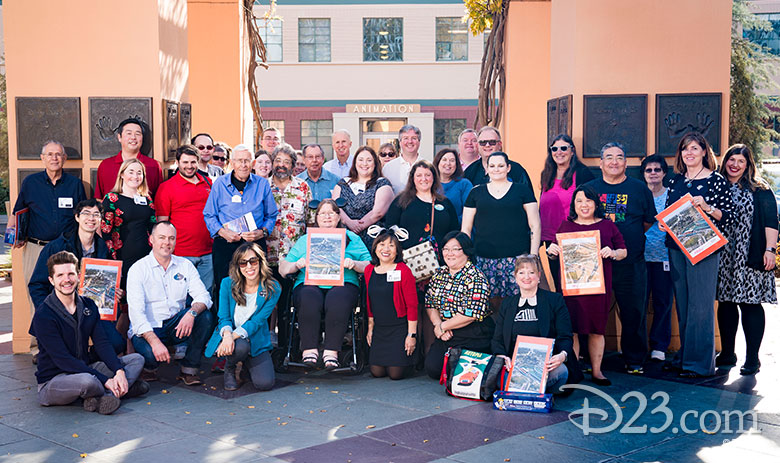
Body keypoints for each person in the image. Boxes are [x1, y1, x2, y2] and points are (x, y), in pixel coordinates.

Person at [31, 251, 147, 415]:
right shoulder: (44, 315)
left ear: (78, 276)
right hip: (55, 379)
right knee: (88, 381)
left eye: (71, 274)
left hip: (84, 367)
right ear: (51, 280)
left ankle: (103, 397)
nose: (67, 280)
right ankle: (118, 390)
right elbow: (63, 360)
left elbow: (102, 343)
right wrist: (106, 379)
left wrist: (119, 371)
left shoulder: (88, 305)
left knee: (136, 360)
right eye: (60, 275)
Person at [663, 132, 732, 378]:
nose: (689, 153)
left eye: (694, 148)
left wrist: (707, 207)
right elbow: (669, 211)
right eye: (685, 149)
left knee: (701, 306)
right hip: (676, 247)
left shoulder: (716, 180)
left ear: (704, 151)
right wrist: (665, 224)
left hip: (704, 248)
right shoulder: (675, 181)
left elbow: (729, 215)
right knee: (682, 304)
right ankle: (685, 356)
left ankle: (699, 364)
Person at [586, 142, 656, 374]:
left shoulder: (639, 189)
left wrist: (628, 241)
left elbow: (647, 221)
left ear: (626, 163)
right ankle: (590, 359)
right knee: (591, 312)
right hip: (595, 264)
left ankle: (634, 360)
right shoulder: (589, 189)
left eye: (619, 157)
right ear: (601, 163)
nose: (614, 162)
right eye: (608, 157)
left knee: (634, 311)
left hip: (631, 262)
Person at [547, 185, 626, 386]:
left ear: (595, 203)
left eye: (588, 200)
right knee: (571, 329)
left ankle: (597, 372)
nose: (584, 205)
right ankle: (574, 371)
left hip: (598, 288)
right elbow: (553, 253)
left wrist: (613, 253)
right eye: (579, 200)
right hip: (571, 288)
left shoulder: (608, 226)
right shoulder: (565, 226)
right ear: (574, 204)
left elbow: (623, 251)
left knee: (596, 329)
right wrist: (551, 251)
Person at [13, 140, 87, 354]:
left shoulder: (74, 185)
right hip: (36, 247)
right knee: (37, 294)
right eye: (50, 154)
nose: (54, 158)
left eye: (58, 154)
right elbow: (19, 212)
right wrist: (15, 235)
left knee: (70, 293)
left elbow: (81, 214)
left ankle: (68, 344)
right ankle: (39, 347)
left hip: (66, 250)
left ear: (64, 159)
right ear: (42, 158)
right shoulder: (30, 183)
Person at [279, 200, 371, 370]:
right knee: (309, 297)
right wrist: (297, 265)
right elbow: (283, 269)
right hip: (309, 282)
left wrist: (354, 264)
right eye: (323, 213)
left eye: (331, 213)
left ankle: (331, 352)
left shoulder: (352, 238)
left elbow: (370, 266)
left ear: (338, 217)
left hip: (343, 283)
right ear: (317, 217)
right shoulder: (306, 239)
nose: (327, 216)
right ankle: (309, 350)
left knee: (337, 298)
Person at [28, 199, 125, 355]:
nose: (91, 218)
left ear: (100, 220)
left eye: (96, 214)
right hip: (62, 310)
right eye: (86, 213)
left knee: (116, 344)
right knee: (62, 351)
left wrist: (114, 293)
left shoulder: (104, 249)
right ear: (77, 217)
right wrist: (47, 312)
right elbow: (36, 284)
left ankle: (87, 360)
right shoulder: (56, 247)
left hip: (93, 311)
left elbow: (107, 283)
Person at [716, 144, 777, 375]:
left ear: (748, 164)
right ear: (726, 162)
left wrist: (770, 249)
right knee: (726, 303)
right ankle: (728, 353)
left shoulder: (759, 189)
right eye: (732, 160)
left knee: (750, 304)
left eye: (741, 161)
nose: (735, 165)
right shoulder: (718, 186)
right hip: (724, 256)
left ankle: (752, 358)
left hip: (751, 254)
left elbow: (772, 220)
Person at [127, 222, 214, 385]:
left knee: (206, 317)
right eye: (161, 238)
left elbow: (204, 296)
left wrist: (192, 313)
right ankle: (149, 368)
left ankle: (189, 369)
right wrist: (155, 343)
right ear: (151, 239)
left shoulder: (185, 265)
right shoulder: (138, 269)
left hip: (176, 325)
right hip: (148, 329)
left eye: (171, 238)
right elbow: (137, 316)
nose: (167, 242)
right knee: (150, 355)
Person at [462, 152, 540, 309]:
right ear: (487, 168)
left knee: (519, 303)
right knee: (486, 304)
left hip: (516, 259)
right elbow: (466, 228)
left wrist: (533, 256)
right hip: (484, 259)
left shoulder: (522, 191)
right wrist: (466, 257)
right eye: (492, 166)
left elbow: (535, 225)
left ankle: (515, 334)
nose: (496, 169)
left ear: (508, 168)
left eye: (501, 165)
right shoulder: (476, 193)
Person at [203, 144, 278, 305]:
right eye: (239, 161)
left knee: (256, 289)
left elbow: (271, 215)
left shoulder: (262, 184)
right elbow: (209, 215)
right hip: (226, 245)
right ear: (232, 163)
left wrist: (262, 232)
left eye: (247, 160)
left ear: (252, 163)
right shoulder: (219, 184)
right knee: (226, 288)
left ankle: (252, 327)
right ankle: (225, 326)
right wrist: (223, 232)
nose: (243, 165)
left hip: (254, 244)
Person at [205, 242, 281, 391]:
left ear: (260, 261)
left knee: (265, 383)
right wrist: (227, 335)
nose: (249, 267)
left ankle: (247, 364)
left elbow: (258, 321)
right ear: (237, 265)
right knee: (240, 347)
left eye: (253, 261)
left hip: (255, 338)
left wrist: (230, 337)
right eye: (243, 263)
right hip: (234, 340)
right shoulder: (227, 283)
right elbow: (223, 317)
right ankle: (230, 368)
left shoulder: (273, 288)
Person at [492, 255, 573, 394]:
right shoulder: (507, 304)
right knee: (501, 375)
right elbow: (497, 339)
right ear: (515, 277)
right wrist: (502, 357)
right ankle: (529, 391)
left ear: (539, 276)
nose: (526, 277)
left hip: (544, 367)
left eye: (531, 272)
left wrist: (562, 356)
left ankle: (524, 390)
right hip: (514, 367)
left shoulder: (554, 300)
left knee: (561, 372)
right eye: (521, 272)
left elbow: (565, 336)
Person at [424, 232, 494, 380]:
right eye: (446, 249)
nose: (449, 254)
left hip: (473, 332)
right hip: (446, 330)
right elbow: (430, 303)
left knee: (460, 371)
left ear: (467, 252)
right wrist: (438, 325)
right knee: (433, 368)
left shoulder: (476, 276)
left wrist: (444, 326)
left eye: (455, 249)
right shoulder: (439, 273)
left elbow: (471, 314)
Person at [266, 145, 312, 348]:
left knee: (288, 304)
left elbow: (310, 223)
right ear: (272, 163)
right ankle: (265, 346)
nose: (282, 165)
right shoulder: (262, 186)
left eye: (286, 162)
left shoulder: (303, 187)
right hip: (266, 256)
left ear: (293, 165)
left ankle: (287, 347)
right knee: (267, 303)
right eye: (278, 161)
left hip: (293, 257)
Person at [155, 145, 215, 293]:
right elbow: (162, 223)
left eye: (193, 162)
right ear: (178, 162)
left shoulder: (208, 183)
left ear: (198, 162)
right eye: (185, 162)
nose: (189, 166)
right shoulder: (166, 187)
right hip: (180, 254)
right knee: (180, 296)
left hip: (208, 252)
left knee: (205, 296)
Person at [539, 135, 594, 292]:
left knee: (577, 287)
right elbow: (542, 207)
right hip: (551, 241)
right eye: (554, 149)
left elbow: (591, 205)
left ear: (572, 151)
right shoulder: (546, 175)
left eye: (564, 148)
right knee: (559, 287)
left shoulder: (583, 174)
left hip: (575, 239)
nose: (559, 152)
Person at [365, 230, 418, 380]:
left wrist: (411, 335)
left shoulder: (403, 270)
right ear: (375, 248)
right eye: (382, 245)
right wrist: (370, 329)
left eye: (391, 245)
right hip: (380, 329)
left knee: (395, 374)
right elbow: (369, 302)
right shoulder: (369, 270)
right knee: (377, 372)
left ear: (397, 251)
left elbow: (412, 305)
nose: (386, 249)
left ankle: (410, 362)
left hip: (400, 328)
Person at [101, 158, 156, 300]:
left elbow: (152, 227)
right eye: (131, 172)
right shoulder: (112, 198)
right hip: (121, 256)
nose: (135, 176)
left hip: (145, 256)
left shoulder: (147, 199)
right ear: (122, 175)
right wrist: (111, 257)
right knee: (123, 301)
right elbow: (105, 230)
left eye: (139, 173)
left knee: (143, 298)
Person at [385, 160, 460, 255]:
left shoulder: (445, 203)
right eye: (419, 175)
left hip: (440, 261)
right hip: (408, 259)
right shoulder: (401, 201)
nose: (424, 179)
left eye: (427, 175)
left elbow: (454, 231)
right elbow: (390, 228)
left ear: (434, 177)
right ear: (412, 178)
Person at [640, 154, 674, 362]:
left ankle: (659, 346)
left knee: (663, 302)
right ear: (643, 174)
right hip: (640, 257)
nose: (653, 173)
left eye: (657, 170)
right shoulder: (638, 194)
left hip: (664, 257)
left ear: (664, 173)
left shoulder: (672, 196)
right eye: (648, 170)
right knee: (639, 303)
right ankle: (639, 345)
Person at [331, 146, 394, 248]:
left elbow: (378, 212)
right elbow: (335, 207)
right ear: (355, 163)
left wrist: (358, 227)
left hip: (373, 239)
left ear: (375, 163)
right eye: (360, 160)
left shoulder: (382, 183)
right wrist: (349, 222)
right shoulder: (343, 183)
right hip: (345, 238)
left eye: (369, 160)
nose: (364, 164)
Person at [95, 118, 163, 199]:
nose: (133, 137)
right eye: (129, 133)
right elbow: (99, 198)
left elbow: (159, 199)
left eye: (137, 134)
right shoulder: (105, 165)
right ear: (119, 137)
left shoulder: (153, 166)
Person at [463, 126, 532, 188]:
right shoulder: (470, 172)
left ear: (500, 145)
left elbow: (528, 197)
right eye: (483, 142)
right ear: (478, 145)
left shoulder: (516, 170)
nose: (487, 145)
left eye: (492, 142)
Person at [435, 148, 473, 223]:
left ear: (456, 164)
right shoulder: (430, 184)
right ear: (438, 162)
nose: (448, 163)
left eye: (452, 160)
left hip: (457, 229)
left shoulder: (464, 184)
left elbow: (469, 212)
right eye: (444, 160)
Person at [383, 125, 423, 194]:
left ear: (419, 142)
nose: (410, 141)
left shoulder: (428, 166)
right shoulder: (388, 168)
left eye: (414, 138)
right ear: (400, 142)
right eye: (406, 138)